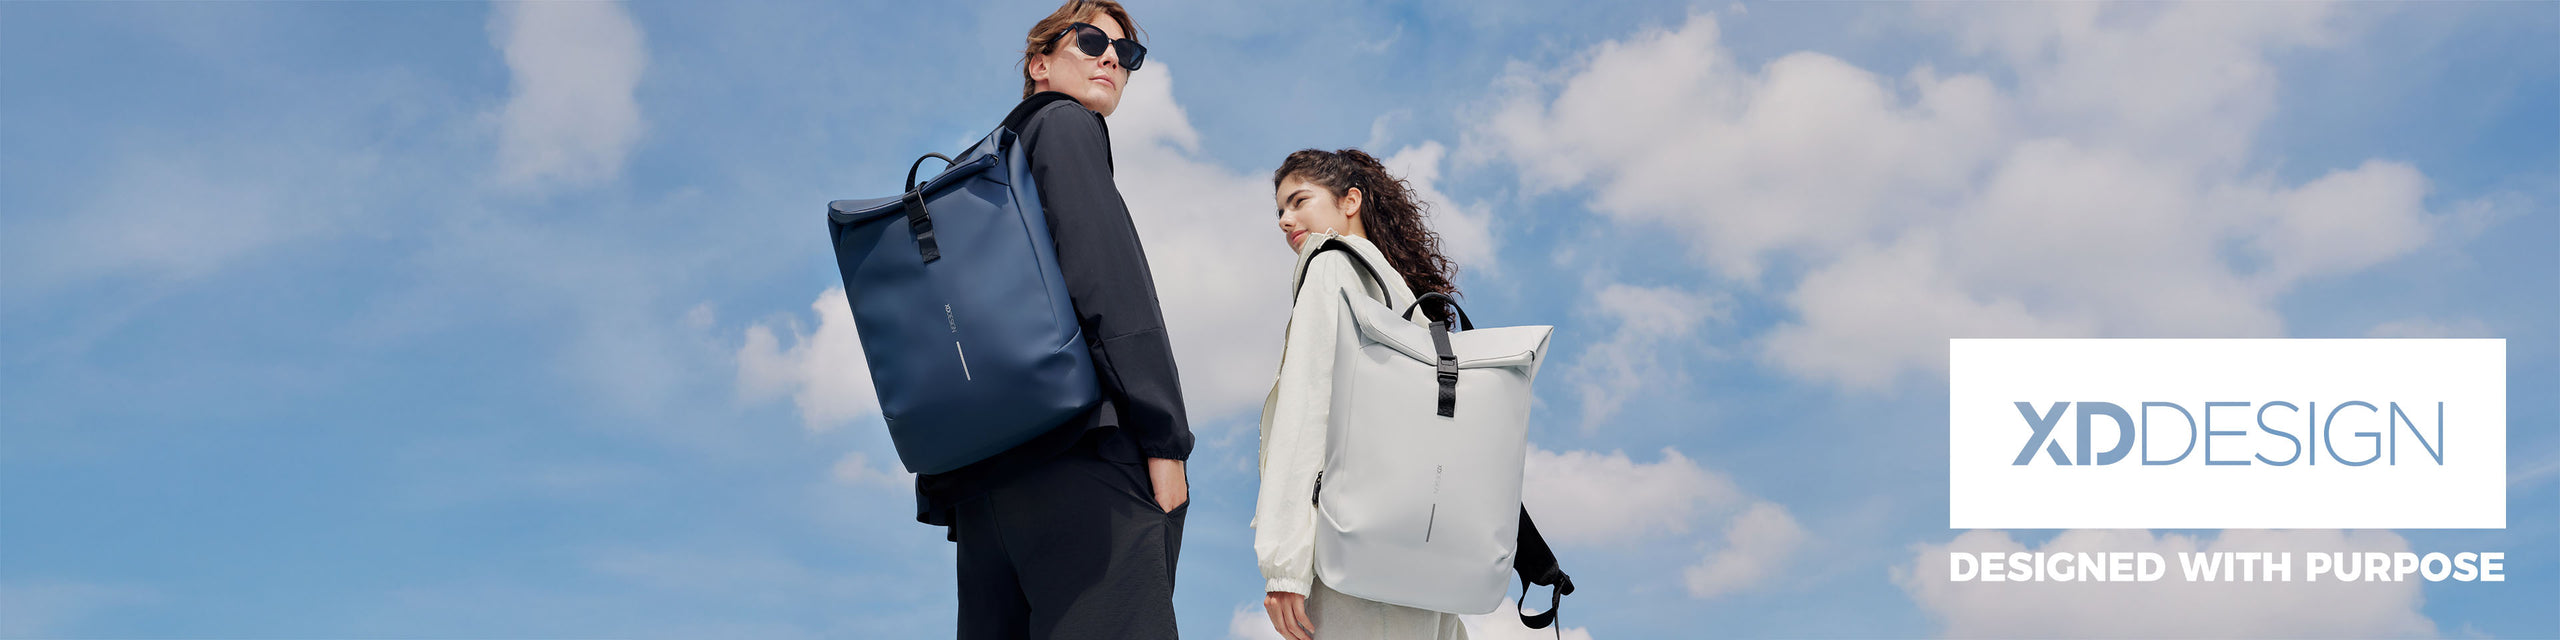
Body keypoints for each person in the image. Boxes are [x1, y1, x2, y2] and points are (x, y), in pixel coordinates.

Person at [918, 2, 1191, 638]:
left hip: (986, 480)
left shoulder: (976, 176)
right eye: (1091, 41)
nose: (1112, 58)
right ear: (1039, 64)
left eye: (1128, 54)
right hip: (1080, 456)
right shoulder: (1065, 125)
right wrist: (1164, 438)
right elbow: (1107, 281)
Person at [1256, 148, 1469, 640]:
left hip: (1359, 547)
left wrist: (1285, 565)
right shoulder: (1404, 295)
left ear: (1350, 201)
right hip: (1427, 545)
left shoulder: (1330, 265)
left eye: (1299, 201)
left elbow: (1309, 408)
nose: (1285, 220)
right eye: (1280, 210)